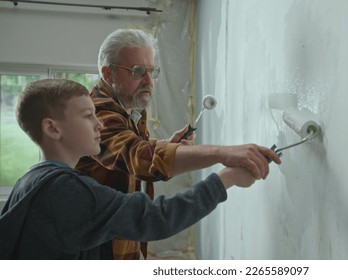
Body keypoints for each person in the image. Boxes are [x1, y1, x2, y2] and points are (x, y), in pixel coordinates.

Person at [0, 79, 275, 260]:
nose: (100, 125)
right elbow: (155, 218)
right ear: (52, 128)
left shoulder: (33, 180)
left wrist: (168, 147)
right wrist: (224, 178)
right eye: (87, 116)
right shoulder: (64, 190)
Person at [75, 28, 281, 259]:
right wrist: (224, 153)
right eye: (138, 71)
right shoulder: (97, 113)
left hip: (123, 241)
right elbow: (137, 157)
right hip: (98, 249)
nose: (149, 81)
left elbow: (133, 154)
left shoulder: (130, 107)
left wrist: (167, 145)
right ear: (108, 73)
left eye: (152, 71)